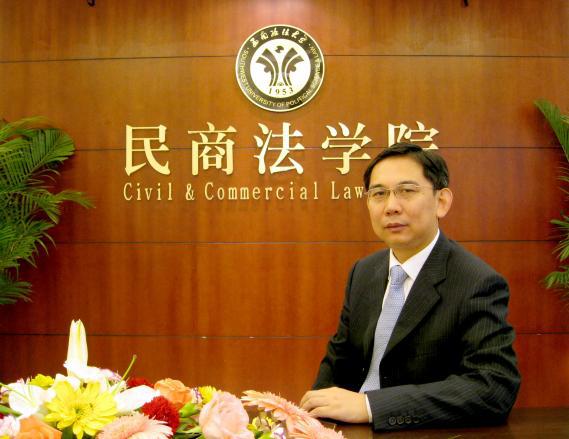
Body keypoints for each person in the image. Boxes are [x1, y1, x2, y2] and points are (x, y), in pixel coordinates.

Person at [300, 143, 520, 431]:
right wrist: (309, 420)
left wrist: (371, 406)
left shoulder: (476, 282)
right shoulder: (363, 272)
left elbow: (493, 387)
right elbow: (338, 362)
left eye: (406, 191)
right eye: (379, 194)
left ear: (442, 201)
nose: (391, 206)